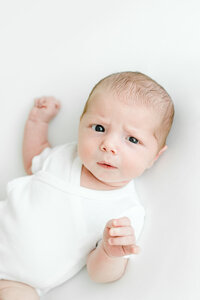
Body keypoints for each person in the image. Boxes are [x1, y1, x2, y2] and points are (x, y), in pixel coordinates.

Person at [0, 71, 174, 299]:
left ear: (154, 157)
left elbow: (97, 273)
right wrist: (37, 122)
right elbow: (33, 158)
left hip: (16, 283)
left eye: (132, 139)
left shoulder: (125, 212)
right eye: (99, 128)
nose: (109, 145)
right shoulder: (65, 156)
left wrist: (110, 254)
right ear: (81, 124)